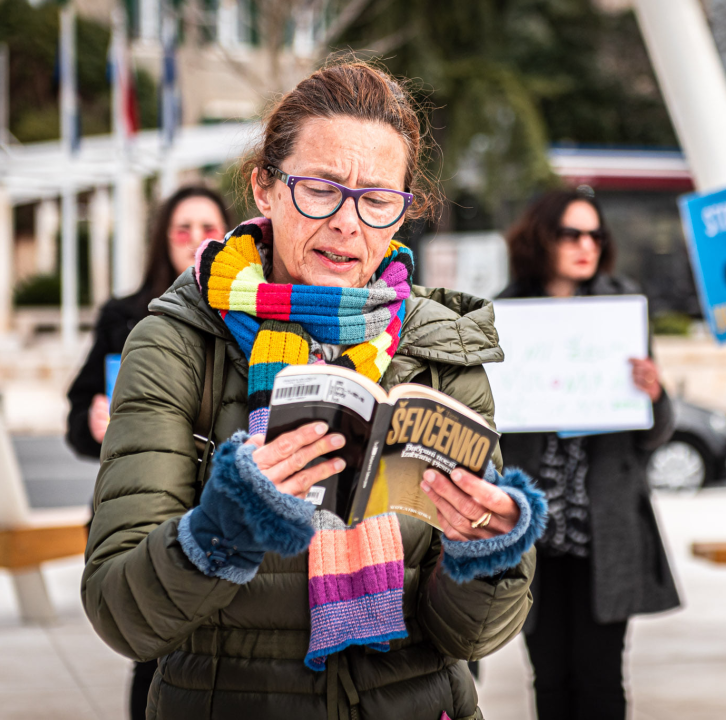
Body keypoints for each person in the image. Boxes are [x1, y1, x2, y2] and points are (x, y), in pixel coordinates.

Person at [81, 61, 545, 720]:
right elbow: (123, 617)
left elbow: (472, 637)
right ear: (264, 188)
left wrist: (487, 554)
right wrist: (223, 528)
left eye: (377, 198)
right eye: (320, 189)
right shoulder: (178, 343)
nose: (347, 223)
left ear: (403, 209)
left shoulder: (440, 349)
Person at [497, 189, 681, 720]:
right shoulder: (507, 313)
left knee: (602, 679)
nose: (586, 245)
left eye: (595, 234)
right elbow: (489, 426)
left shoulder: (622, 309)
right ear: (541, 239)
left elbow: (653, 435)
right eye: (571, 233)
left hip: (604, 527)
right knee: (549, 680)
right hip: (532, 527)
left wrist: (654, 394)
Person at [66, 185, 230, 720]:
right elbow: (75, 417)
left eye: (207, 228)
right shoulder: (125, 316)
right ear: (164, 238)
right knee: (152, 652)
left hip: (212, 503)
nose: (195, 240)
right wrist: (95, 424)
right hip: (144, 504)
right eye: (183, 229)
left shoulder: (246, 316)